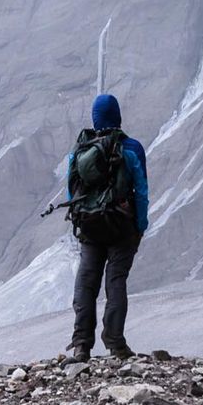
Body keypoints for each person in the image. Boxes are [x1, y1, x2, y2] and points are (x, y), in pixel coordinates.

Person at [62, 92, 148, 362]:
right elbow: (142, 191)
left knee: (86, 284)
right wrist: (140, 225)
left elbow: (70, 191)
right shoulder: (131, 148)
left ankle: (81, 346)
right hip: (121, 225)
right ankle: (115, 343)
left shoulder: (80, 151)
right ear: (118, 116)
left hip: (90, 226)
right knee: (115, 282)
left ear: (95, 118)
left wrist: (81, 220)